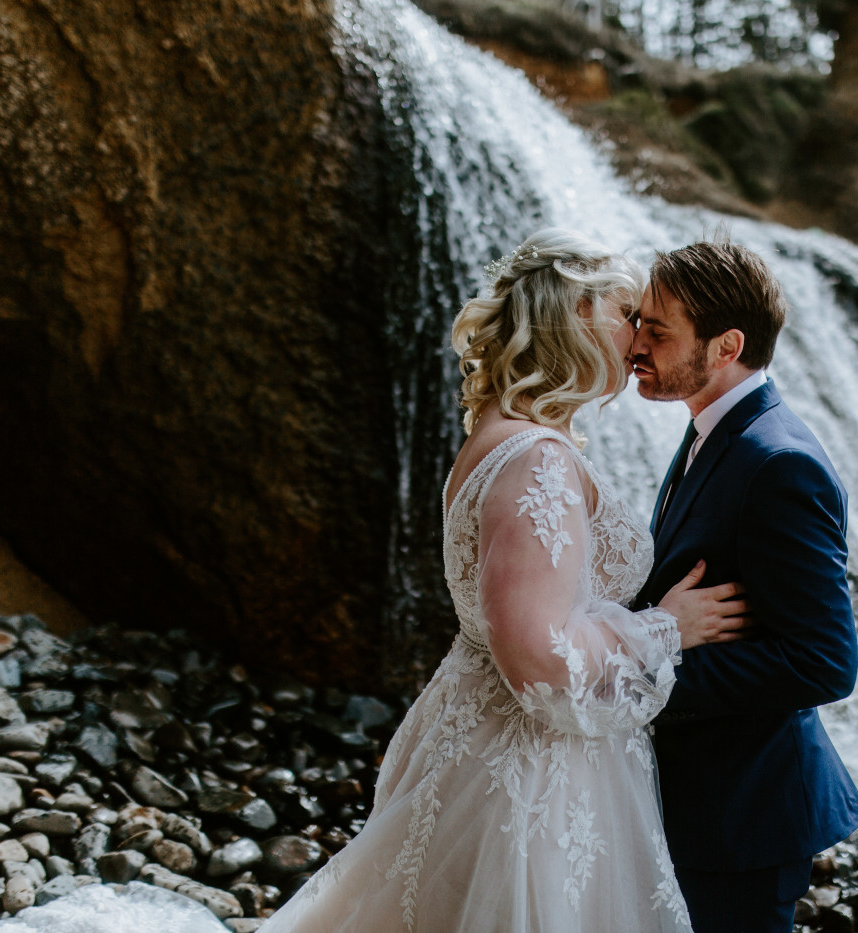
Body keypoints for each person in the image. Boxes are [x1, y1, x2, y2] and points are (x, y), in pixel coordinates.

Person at [258, 229, 749, 932]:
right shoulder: (537, 459)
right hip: (524, 763)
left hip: (482, 731)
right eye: (627, 314)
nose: (640, 338)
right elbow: (537, 654)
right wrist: (668, 627)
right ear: (578, 317)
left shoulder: (498, 433)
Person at [629, 240, 858, 933]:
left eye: (658, 330)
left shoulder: (779, 464)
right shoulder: (715, 429)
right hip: (703, 799)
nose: (635, 344)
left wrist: (649, 674)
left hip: (742, 815)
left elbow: (825, 660)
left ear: (726, 344)